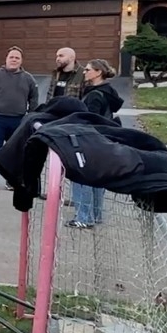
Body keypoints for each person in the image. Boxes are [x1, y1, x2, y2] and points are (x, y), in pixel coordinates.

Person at [68, 59, 124, 229]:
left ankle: (84, 217)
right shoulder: (108, 92)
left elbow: (90, 120)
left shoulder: (94, 95)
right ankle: (96, 214)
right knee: (97, 179)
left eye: (88, 70)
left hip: (90, 141)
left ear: (98, 72)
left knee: (80, 177)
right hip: (104, 141)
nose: (84, 72)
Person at [0, 46, 39, 192]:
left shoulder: (28, 78)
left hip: (18, 121)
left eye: (17, 57)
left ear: (21, 61)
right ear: (6, 59)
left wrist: (30, 117)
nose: (14, 60)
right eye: (11, 57)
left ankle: (11, 181)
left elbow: (34, 98)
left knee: (15, 152)